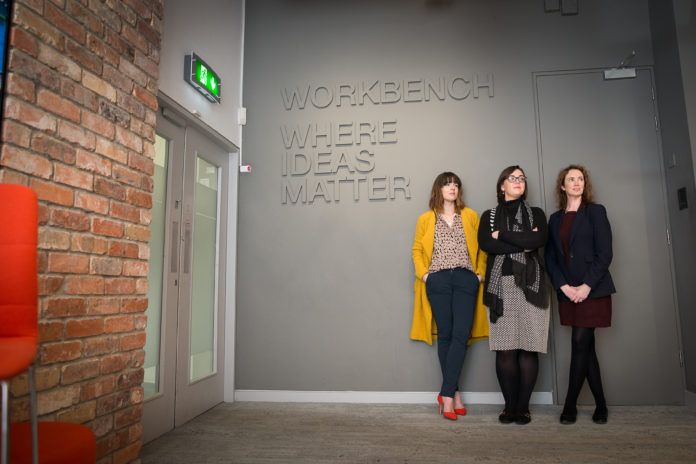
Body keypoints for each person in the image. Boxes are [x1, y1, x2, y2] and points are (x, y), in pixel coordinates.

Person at [410, 172, 488, 421]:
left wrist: (479, 275)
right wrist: (425, 276)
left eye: (456, 184)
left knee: (461, 334)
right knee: (445, 334)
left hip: (466, 278)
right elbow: (417, 250)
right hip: (438, 279)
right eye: (447, 184)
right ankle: (453, 395)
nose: (452, 187)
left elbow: (483, 249)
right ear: (438, 189)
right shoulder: (426, 218)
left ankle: (445, 394)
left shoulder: (470, 216)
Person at [478, 166, 549, 425]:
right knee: (505, 350)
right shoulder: (489, 216)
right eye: (512, 178)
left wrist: (504, 235)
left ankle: (523, 408)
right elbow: (487, 244)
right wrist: (523, 241)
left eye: (521, 178)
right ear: (502, 186)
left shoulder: (537, 214)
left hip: (532, 284)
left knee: (529, 348)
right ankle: (509, 408)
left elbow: (538, 239)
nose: (518, 182)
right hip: (502, 286)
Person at [545, 165, 615, 425]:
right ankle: (601, 405)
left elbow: (605, 253)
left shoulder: (595, 212)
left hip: (593, 291)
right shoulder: (554, 219)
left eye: (580, 179)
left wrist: (586, 286)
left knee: (579, 343)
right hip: (568, 292)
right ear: (562, 186)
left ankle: (570, 405)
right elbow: (551, 257)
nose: (577, 183)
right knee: (587, 349)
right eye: (571, 179)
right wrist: (563, 286)